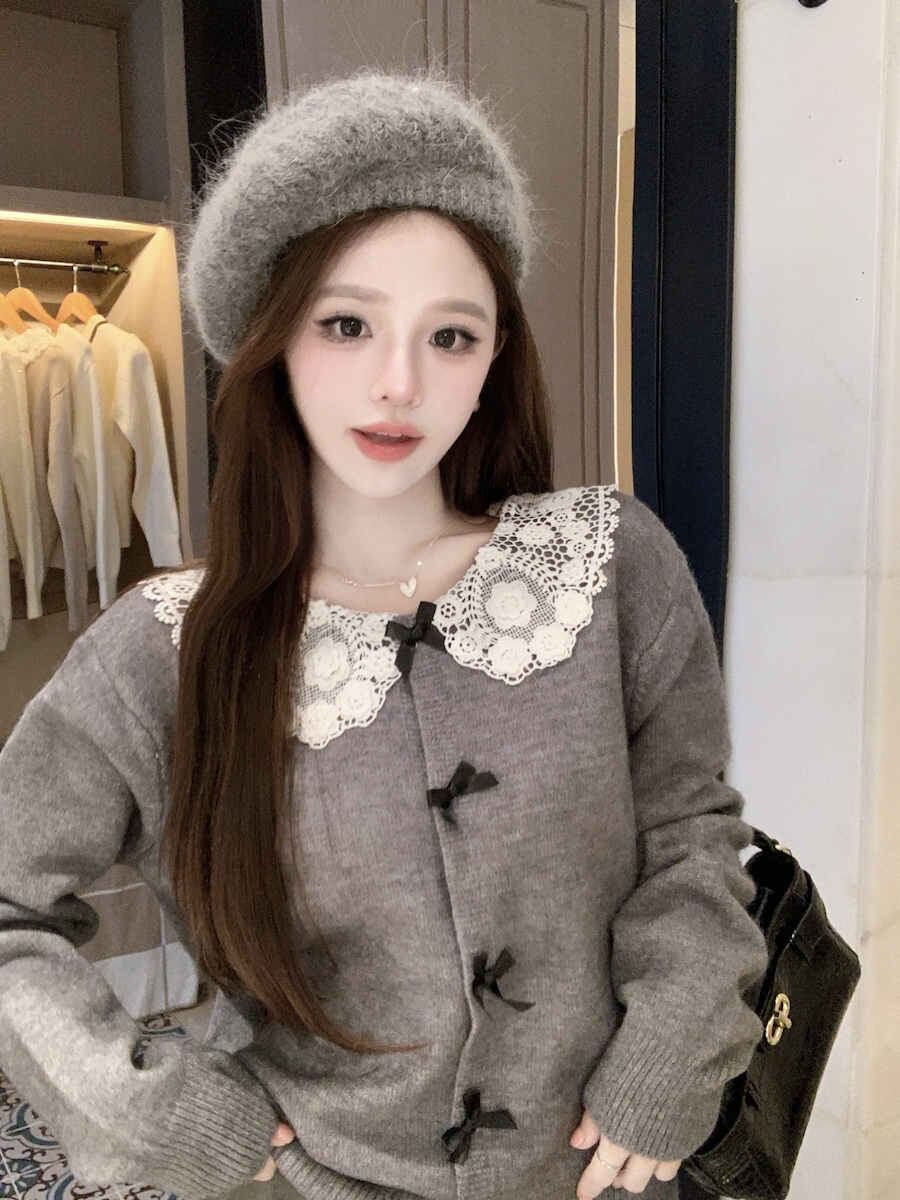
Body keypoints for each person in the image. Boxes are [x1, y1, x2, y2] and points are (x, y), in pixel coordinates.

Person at [0, 68, 768, 1200]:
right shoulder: (163, 653)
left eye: (451, 335)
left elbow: (689, 829)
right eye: (347, 324)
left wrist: (673, 1049)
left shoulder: (606, 567)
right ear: (272, 340)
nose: (398, 382)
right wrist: (159, 1108)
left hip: (617, 1174)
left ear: (495, 359)